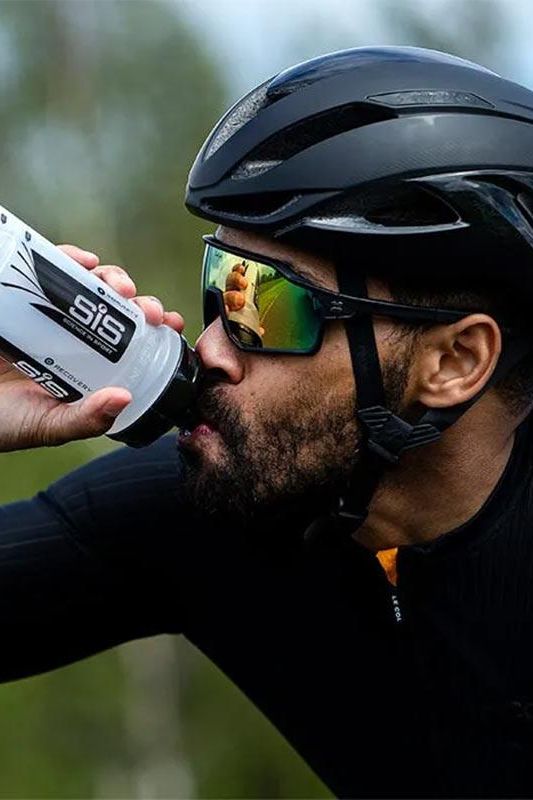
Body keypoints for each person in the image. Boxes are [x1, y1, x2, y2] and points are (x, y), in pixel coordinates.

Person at [2, 45, 533, 798]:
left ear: (452, 362)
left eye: (265, 303)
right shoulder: (219, 496)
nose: (209, 346)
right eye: (221, 283)